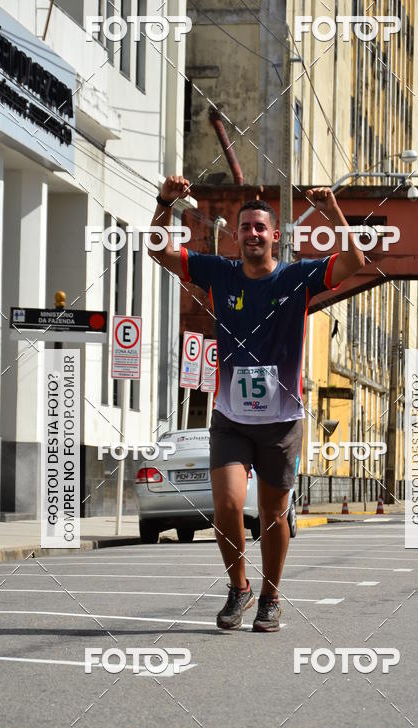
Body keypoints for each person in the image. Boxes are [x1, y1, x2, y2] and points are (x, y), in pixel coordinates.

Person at [148, 175, 364, 632]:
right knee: (227, 505)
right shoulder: (218, 272)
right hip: (231, 418)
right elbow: (158, 250)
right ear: (237, 235)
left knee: (271, 514)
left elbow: (354, 261)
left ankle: (270, 596)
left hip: (281, 421)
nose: (252, 234)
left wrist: (333, 214)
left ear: (274, 236)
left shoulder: (296, 276)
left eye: (260, 228)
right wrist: (165, 203)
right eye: (245, 228)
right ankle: (239, 588)